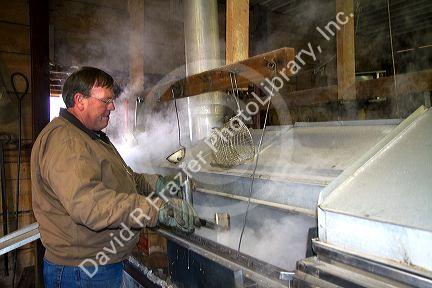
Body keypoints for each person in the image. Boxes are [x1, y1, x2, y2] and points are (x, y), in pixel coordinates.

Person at [31, 66, 198, 288]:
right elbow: (90, 205)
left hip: (98, 265)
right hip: (83, 273)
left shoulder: (91, 137)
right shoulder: (66, 142)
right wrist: (156, 209)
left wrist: (158, 184)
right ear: (80, 100)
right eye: (105, 101)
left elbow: (124, 177)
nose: (112, 107)